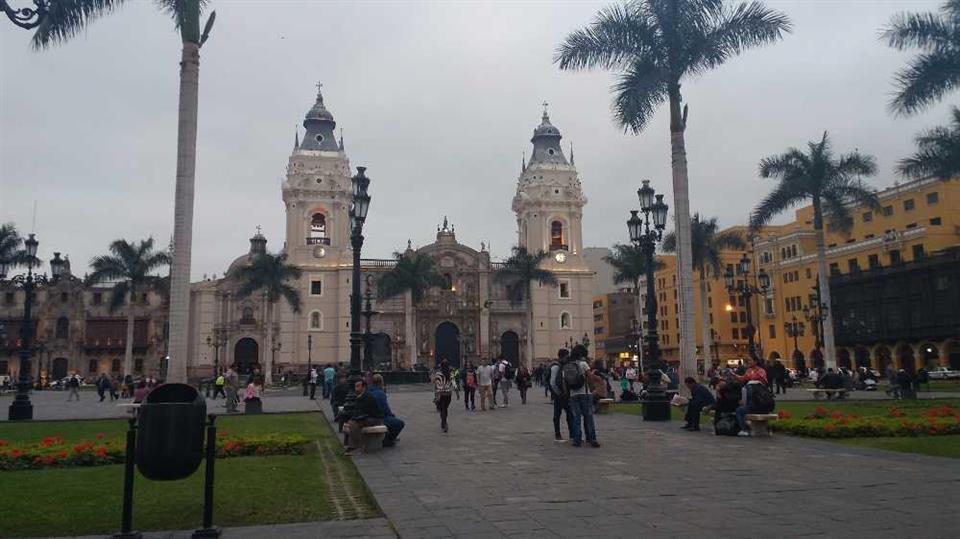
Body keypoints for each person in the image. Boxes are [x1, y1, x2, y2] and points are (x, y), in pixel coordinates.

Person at [564, 345, 600, 448]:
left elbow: (564, 381)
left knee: (576, 418)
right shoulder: (584, 364)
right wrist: (593, 388)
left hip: (573, 395)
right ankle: (591, 439)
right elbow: (590, 377)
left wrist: (568, 394)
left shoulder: (567, 365)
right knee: (588, 416)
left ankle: (577, 440)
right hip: (585, 393)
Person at [345, 379, 384, 455]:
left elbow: (366, 412)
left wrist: (355, 419)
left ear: (364, 387)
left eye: (358, 386)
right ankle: (350, 445)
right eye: (355, 386)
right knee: (350, 423)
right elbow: (358, 411)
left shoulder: (367, 396)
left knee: (354, 424)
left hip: (375, 418)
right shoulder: (359, 396)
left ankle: (356, 447)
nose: (356, 388)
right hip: (366, 417)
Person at [369, 374, 404, 447]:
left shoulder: (368, 390)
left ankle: (387, 437)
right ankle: (388, 440)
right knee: (399, 423)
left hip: (368, 416)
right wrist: (392, 416)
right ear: (381, 382)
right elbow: (386, 410)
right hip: (378, 418)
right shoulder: (380, 393)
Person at [548, 349, 575, 442]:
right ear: (562, 357)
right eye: (567, 356)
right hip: (559, 395)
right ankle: (557, 434)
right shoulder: (555, 367)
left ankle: (572, 434)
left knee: (570, 414)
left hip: (565, 394)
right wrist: (559, 393)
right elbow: (552, 383)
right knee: (557, 415)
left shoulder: (563, 366)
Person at [434, 360, 454, 432]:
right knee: (445, 408)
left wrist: (437, 395)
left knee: (442, 409)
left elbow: (437, 385)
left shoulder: (438, 374)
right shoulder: (451, 373)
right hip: (448, 394)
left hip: (441, 394)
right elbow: (453, 383)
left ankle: (444, 423)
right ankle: (444, 422)